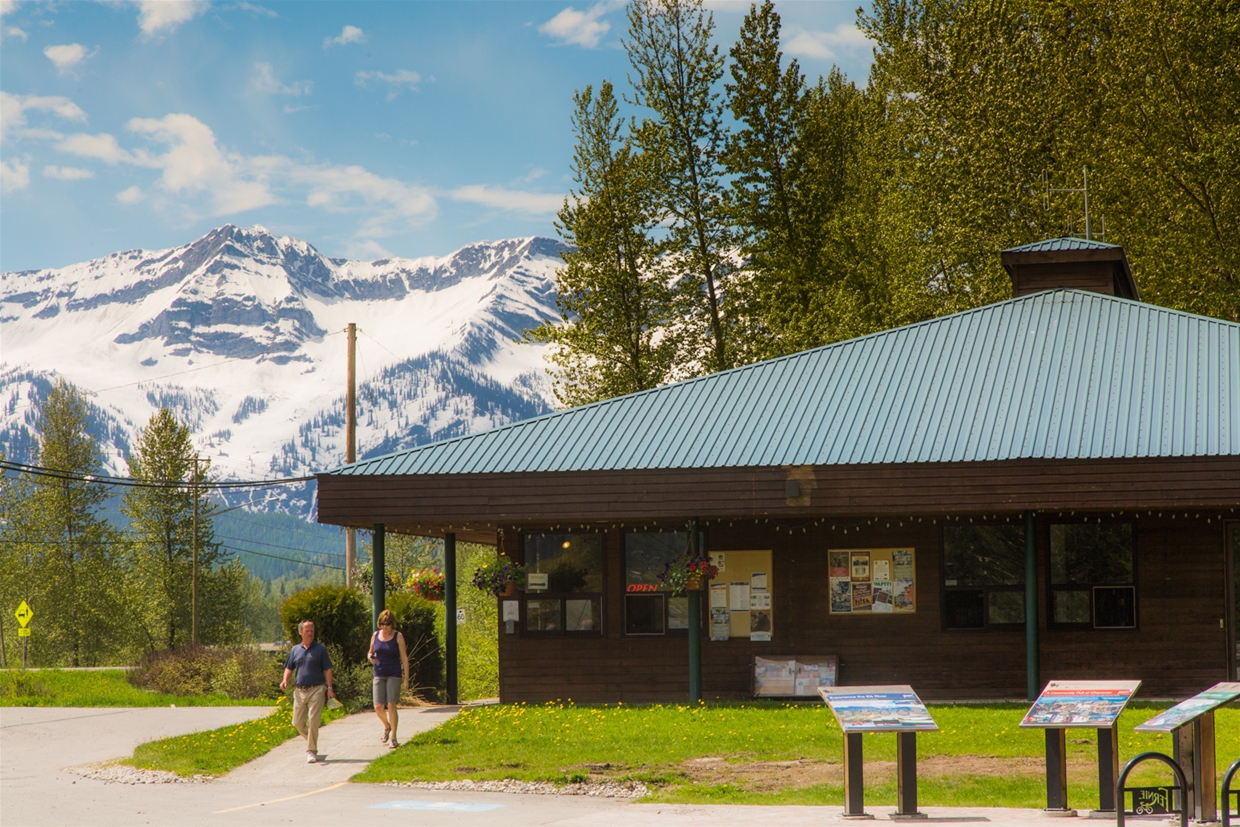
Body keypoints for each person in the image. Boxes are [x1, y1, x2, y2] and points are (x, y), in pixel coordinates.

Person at [280, 619, 335, 763]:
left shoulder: (320, 649)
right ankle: (312, 740)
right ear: (301, 632)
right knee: (297, 723)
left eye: (312, 630)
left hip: (317, 689)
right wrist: (285, 680)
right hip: (299, 691)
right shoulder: (295, 650)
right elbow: (289, 667)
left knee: (313, 720)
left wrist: (329, 688)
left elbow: (328, 669)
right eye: (307, 630)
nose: (310, 633)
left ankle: (311, 750)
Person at [367, 609, 409, 749]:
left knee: (391, 704)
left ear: (392, 624)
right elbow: (371, 652)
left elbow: (404, 657)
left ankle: (393, 737)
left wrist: (406, 678)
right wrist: (370, 657)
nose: (384, 627)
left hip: (394, 673)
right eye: (382, 624)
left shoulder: (398, 636)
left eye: (387, 624)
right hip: (379, 672)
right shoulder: (375, 635)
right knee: (378, 706)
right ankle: (387, 726)